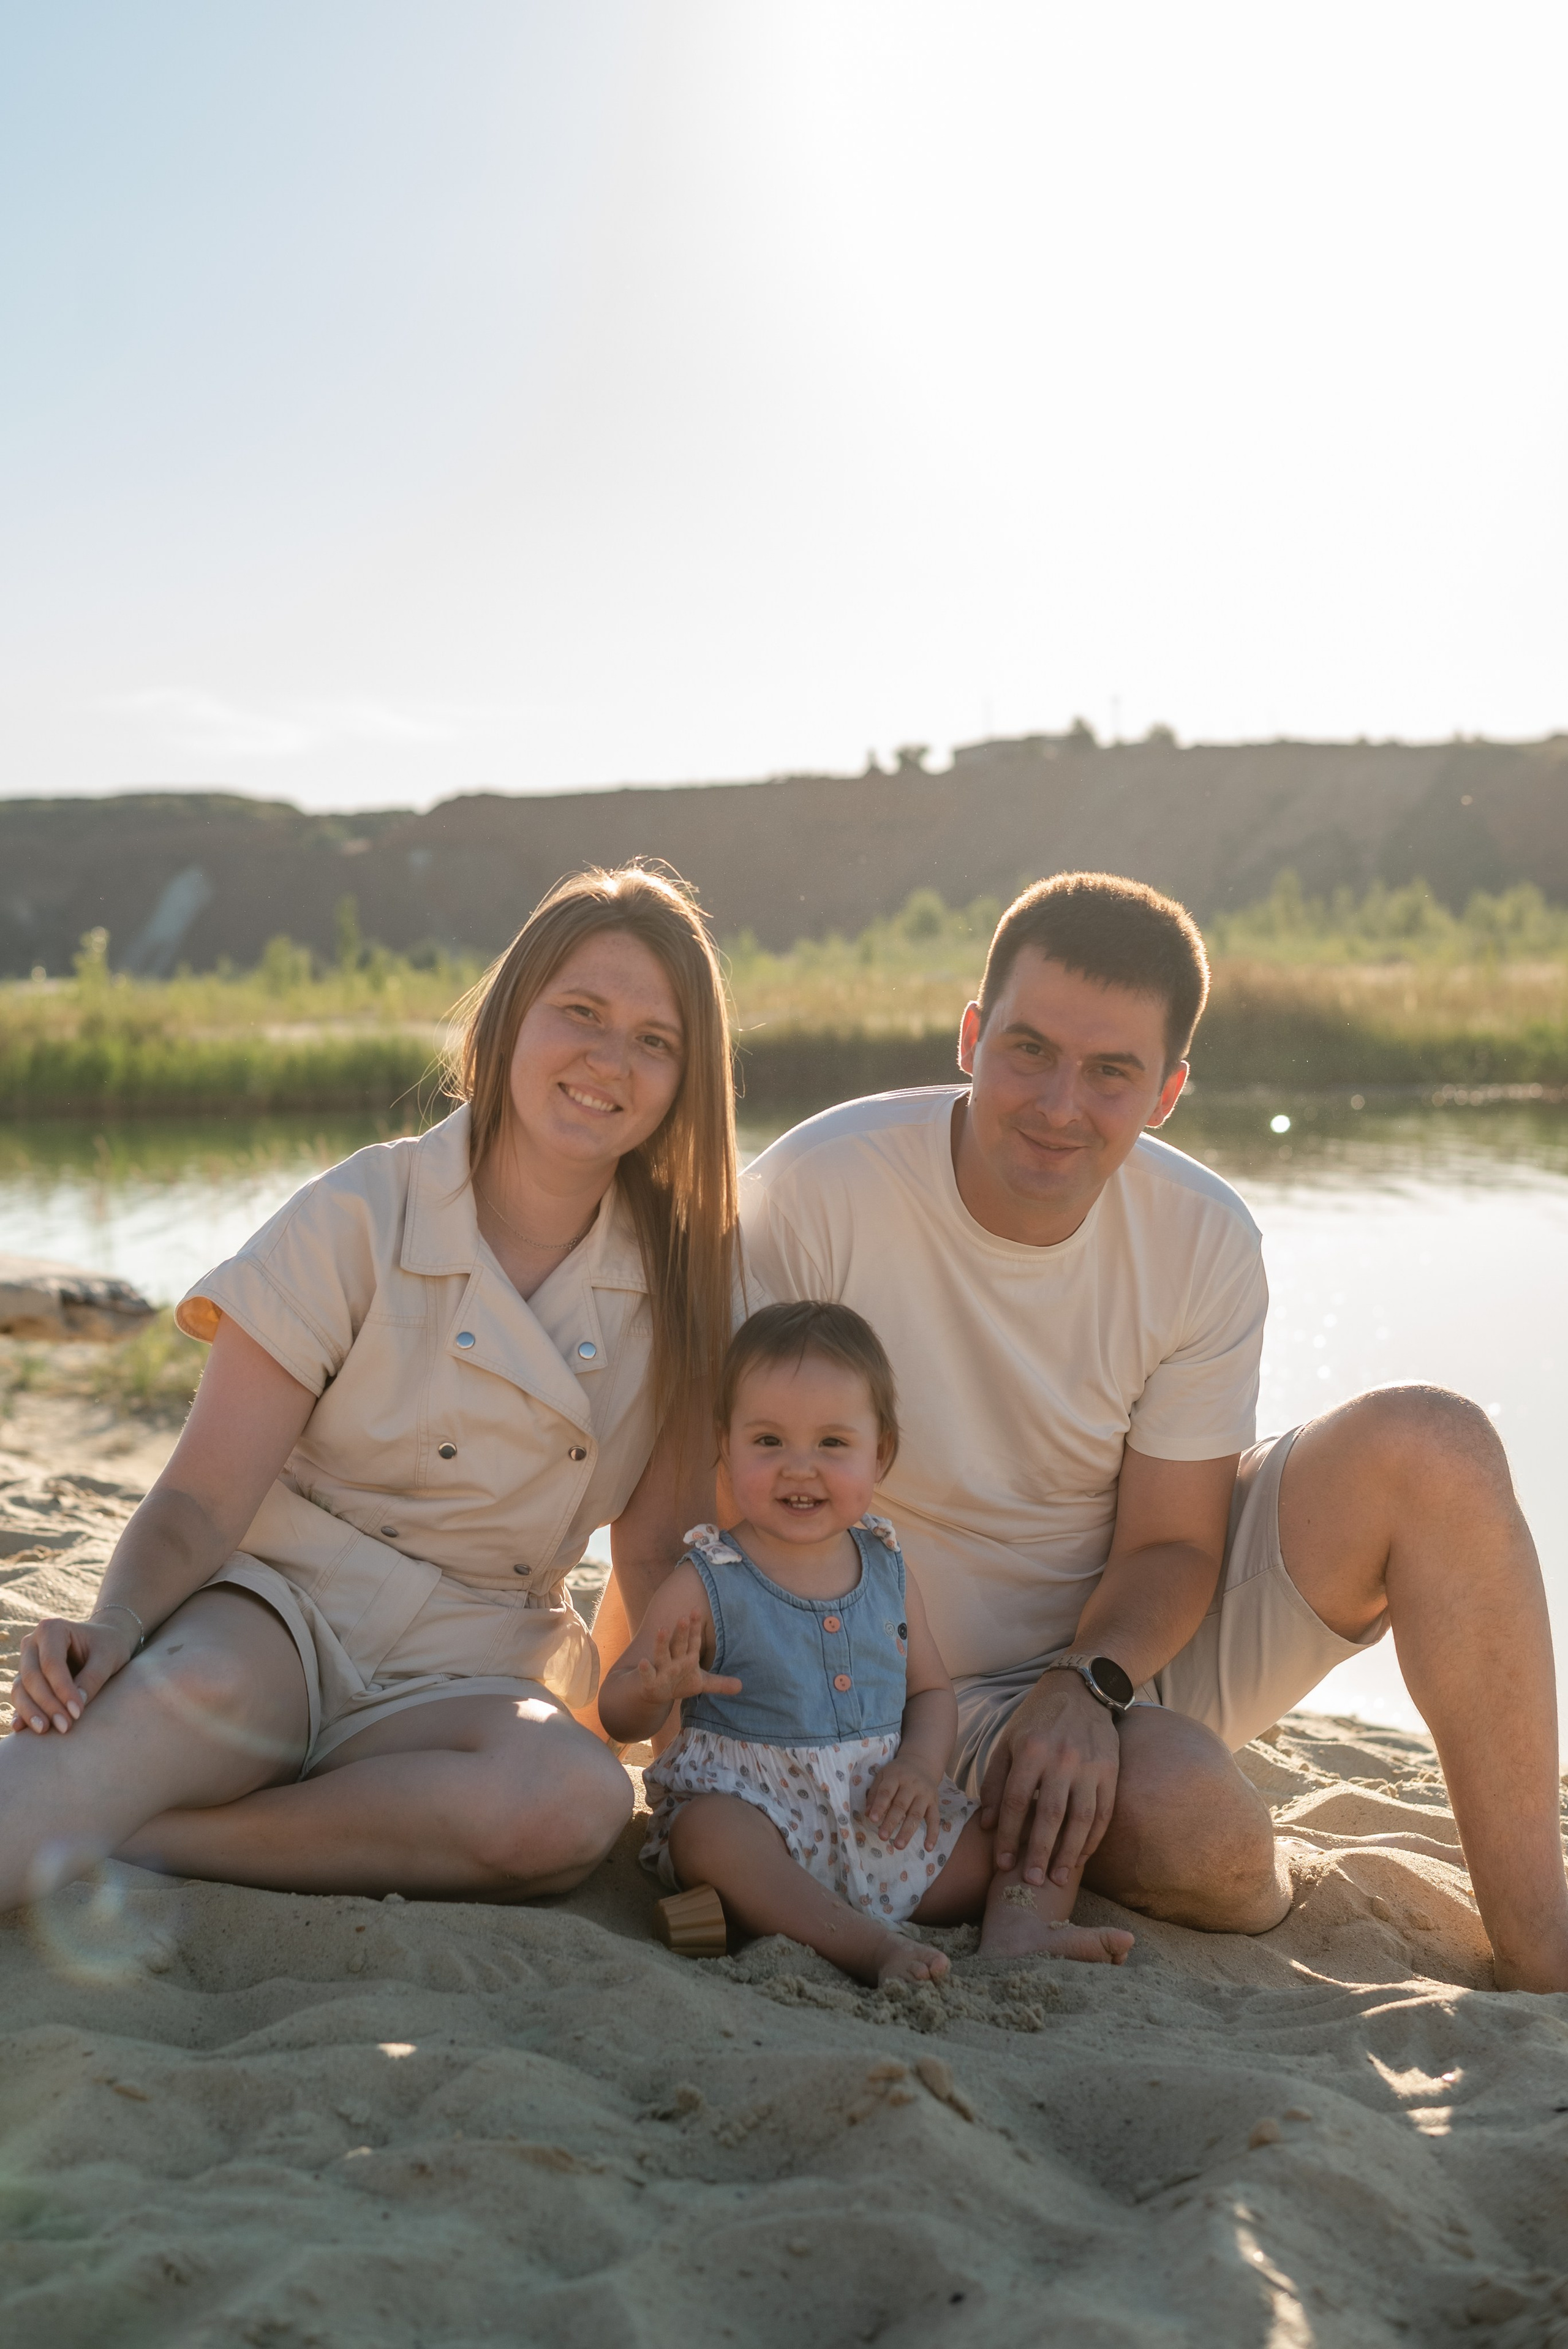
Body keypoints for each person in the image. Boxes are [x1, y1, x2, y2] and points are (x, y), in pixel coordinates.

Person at [610, 869, 1568, 1994]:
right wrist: (680, 1726)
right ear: (972, 1036)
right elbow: (703, 1480)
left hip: (1121, 1651)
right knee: (1202, 1834)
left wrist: (1088, 1684)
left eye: (1111, 1070)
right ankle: (1105, 1831)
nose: (1060, 1101)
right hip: (887, 1692)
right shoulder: (820, 1189)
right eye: (1028, 1049)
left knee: (1436, 1443)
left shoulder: (1204, 1236)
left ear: (1165, 1090)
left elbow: (1174, 1542)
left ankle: (1543, 1941)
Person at [0, 862, 737, 1910]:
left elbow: (656, 1552)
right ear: (511, 1017)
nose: (609, 1059)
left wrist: (667, 1748)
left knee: (571, 1801)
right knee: (111, 1739)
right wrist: (118, 1622)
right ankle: (107, 1805)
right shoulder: (361, 1208)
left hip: (478, 1660)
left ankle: (162, 1835)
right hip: (280, 1615)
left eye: (655, 1040)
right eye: (581, 1011)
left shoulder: (682, 1283)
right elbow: (203, 1496)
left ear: (685, 1077)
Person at [601, 1300, 1133, 1983]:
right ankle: (863, 1946)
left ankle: (1020, 1927)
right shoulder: (707, 1579)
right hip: (763, 1826)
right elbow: (616, 1708)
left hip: (881, 1821)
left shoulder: (885, 1566)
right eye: (767, 1441)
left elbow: (930, 1690)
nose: (800, 1467)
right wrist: (649, 1694)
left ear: (878, 1452)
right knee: (708, 1834)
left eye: (831, 1443)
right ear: (725, 1445)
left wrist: (917, 1765)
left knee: (1030, 1818)